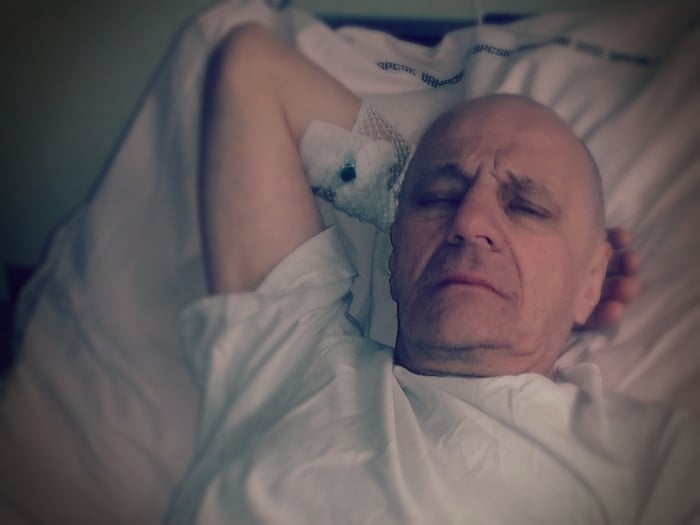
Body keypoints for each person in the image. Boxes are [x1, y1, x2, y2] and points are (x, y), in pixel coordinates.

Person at [166, 24, 698, 523]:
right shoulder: (289, 362)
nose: (469, 222)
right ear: (394, 250)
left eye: (526, 207)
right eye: (441, 198)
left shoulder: (649, 462)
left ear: (592, 280)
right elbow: (253, 70)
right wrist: (403, 198)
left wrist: (433, 203)